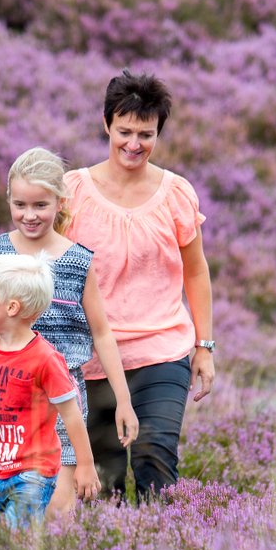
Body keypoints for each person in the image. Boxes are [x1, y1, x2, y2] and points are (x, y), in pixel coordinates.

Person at [0, 147, 138, 518]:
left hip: (60, 400)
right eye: (20, 204)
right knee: (7, 506)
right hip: (3, 398)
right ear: (8, 200)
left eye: (40, 205)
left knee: (55, 508)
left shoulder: (77, 261)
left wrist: (123, 399)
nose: (29, 215)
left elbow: (101, 333)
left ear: (59, 201)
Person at [63, 70, 215, 501]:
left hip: (161, 351)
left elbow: (197, 271)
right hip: (89, 358)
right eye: (124, 131)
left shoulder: (176, 194)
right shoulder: (71, 193)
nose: (133, 144)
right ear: (107, 124)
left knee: (155, 457)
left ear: (158, 133)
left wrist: (204, 346)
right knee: (101, 476)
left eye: (145, 134)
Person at [0, 253, 101, 533]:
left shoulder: (46, 359)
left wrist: (85, 464)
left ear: (11, 307)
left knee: (18, 536)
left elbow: (72, 416)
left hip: (34, 472)